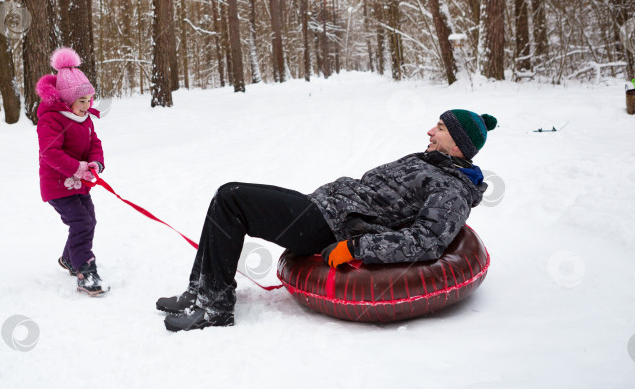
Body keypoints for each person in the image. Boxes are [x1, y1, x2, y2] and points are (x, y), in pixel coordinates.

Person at [158, 109, 497, 331]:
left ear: (459, 143)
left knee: (232, 198)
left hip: (332, 226)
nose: (429, 131)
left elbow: (427, 241)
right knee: (226, 197)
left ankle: (216, 308)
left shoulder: (451, 188)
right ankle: (200, 289)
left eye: (439, 128)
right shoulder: (435, 163)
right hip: (324, 209)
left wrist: (356, 247)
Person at [36, 47, 107, 296]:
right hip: (58, 185)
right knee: (81, 222)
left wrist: (95, 163)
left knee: (88, 220)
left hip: (79, 183)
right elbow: (50, 152)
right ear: (67, 100)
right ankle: (84, 270)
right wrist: (78, 168)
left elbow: (93, 143)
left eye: (89, 100)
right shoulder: (51, 119)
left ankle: (69, 258)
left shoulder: (83, 117)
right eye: (81, 101)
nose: (87, 106)